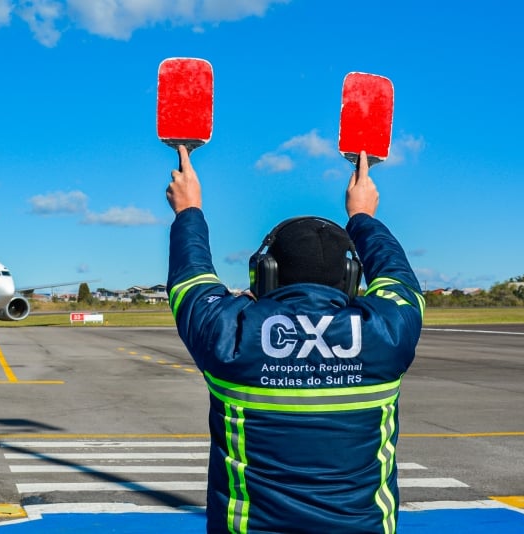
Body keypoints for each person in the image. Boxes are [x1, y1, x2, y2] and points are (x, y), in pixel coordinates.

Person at [166, 146, 425, 534]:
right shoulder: (387, 332)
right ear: (353, 278)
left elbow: (191, 277)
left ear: (264, 274)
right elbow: (398, 277)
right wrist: (363, 217)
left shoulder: (229, 333)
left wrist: (189, 210)